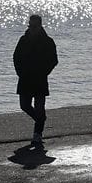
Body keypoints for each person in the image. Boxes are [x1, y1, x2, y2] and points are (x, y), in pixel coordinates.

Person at [13, 14, 58, 147]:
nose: (31, 28)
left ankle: (37, 134)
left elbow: (54, 60)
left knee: (39, 107)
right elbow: (16, 57)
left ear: (40, 26)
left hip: (40, 79)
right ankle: (41, 120)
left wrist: (44, 72)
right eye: (30, 26)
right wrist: (19, 72)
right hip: (25, 78)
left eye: (34, 26)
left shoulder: (48, 41)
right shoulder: (23, 40)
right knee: (24, 105)